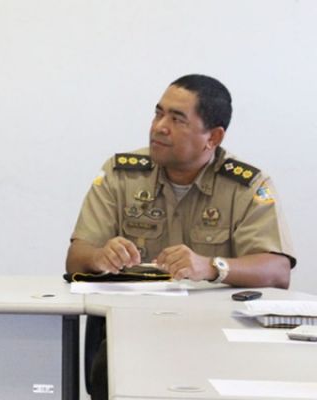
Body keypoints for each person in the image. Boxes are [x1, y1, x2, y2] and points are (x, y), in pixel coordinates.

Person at [66, 74, 296, 400]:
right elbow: (76, 258)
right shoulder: (121, 175)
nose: (159, 127)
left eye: (177, 119)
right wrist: (100, 257)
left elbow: (277, 270)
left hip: (219, 336)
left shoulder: (246, 185)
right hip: (136, 334)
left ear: (213, 137)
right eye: (158, 114)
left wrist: (212, 267)